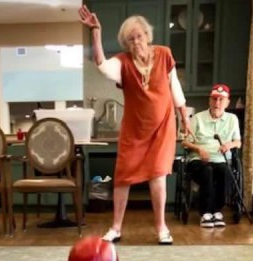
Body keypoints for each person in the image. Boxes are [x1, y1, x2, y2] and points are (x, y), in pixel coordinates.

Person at [80, 6, 193, 245]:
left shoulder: (164, 54)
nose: (136, 42)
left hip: (162, 127)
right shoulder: (123, 62)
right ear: (126, 43)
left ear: (147, 35)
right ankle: (116, 228)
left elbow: (175, 88)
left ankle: (161, 228)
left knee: (158, 176)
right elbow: (101, 64)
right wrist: (96, 32)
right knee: (123, 177)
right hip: (133, 130)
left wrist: (184, 117)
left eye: (139, 36)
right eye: (130, 39)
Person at [182, 84, 241, 228]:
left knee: (225, 171)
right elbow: (185, 142)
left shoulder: (232, 119)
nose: (217, 103)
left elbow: (238, 142)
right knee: (207, 170)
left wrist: (229, 145)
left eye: (221, 99)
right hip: (198, 160)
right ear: (209, 100)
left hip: (221, 160)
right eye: (214, 99)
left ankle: (217, 211)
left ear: (227, 102)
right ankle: (205, 213)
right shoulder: (197, 118)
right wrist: (198, 149)